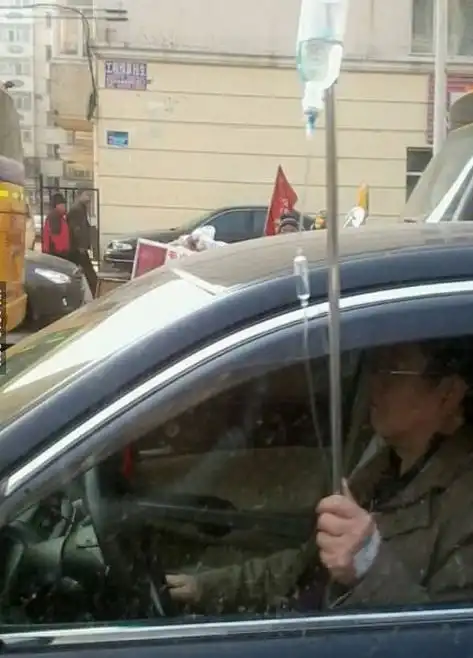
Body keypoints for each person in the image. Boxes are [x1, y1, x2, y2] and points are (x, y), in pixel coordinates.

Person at [166, 338, 473, 613]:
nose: (374, 382)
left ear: (448, 393)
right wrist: (205, 588)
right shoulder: (381, 471)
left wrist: (369, 565)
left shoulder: (463, 506)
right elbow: (305, 568)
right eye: (374, 368)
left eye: (392, 370)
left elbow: (450, 639)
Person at [66, 190, 97, 296]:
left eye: (90, 196)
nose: (89, 198)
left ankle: (91, 289)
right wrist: (81, 245)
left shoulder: (82, 208)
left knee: (77, 269)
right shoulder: (77, 209)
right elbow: (76, 229)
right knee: (88, 271)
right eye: (86, 195)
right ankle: (95, 290)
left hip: (78, 247)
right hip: (78, 247)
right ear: (79, 195)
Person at [41, 193, 70, 257]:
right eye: (62, 204)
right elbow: (55, 237)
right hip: (57, 254)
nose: (64, 206)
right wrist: (62, 251)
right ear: (57, 205)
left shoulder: (59, 216)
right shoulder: (54, 216)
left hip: (58, 253)